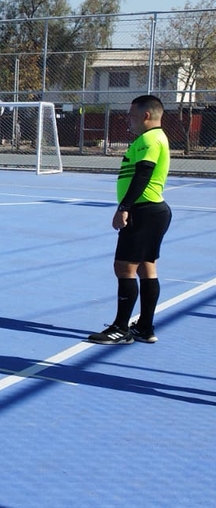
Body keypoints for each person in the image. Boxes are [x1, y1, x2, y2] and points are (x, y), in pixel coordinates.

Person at [87, 94, 171, 345]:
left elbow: (143, 174)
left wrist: (124, 208)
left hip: (143, 211)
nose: (128, 119)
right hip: (152, 212)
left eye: (132, 115)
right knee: (146, 267)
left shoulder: (150, 139)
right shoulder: (153, 138)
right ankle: (144, 327)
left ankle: (120, 328)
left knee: (124, 267)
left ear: (146, 115)